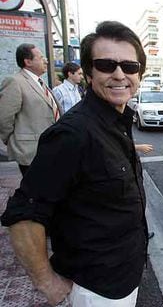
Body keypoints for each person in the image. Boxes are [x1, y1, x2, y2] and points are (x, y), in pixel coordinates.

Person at [1, 21, 148, 306]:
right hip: (96, 290)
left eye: (129, 67)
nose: (120, 74)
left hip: (124, 276)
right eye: (107, 65)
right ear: (89, 73)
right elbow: (24, 215)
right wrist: (47, 283)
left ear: (139, 73)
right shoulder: (72, 134)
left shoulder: (117, 121)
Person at [0, 43, 62, 175]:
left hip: (50, 148)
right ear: (28, 61)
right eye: (40, 57)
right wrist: (13, 140)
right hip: (30, 152)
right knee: (36, 191)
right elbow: (4, 117)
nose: (45, 60)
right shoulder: (14, 81)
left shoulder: (40, 82)